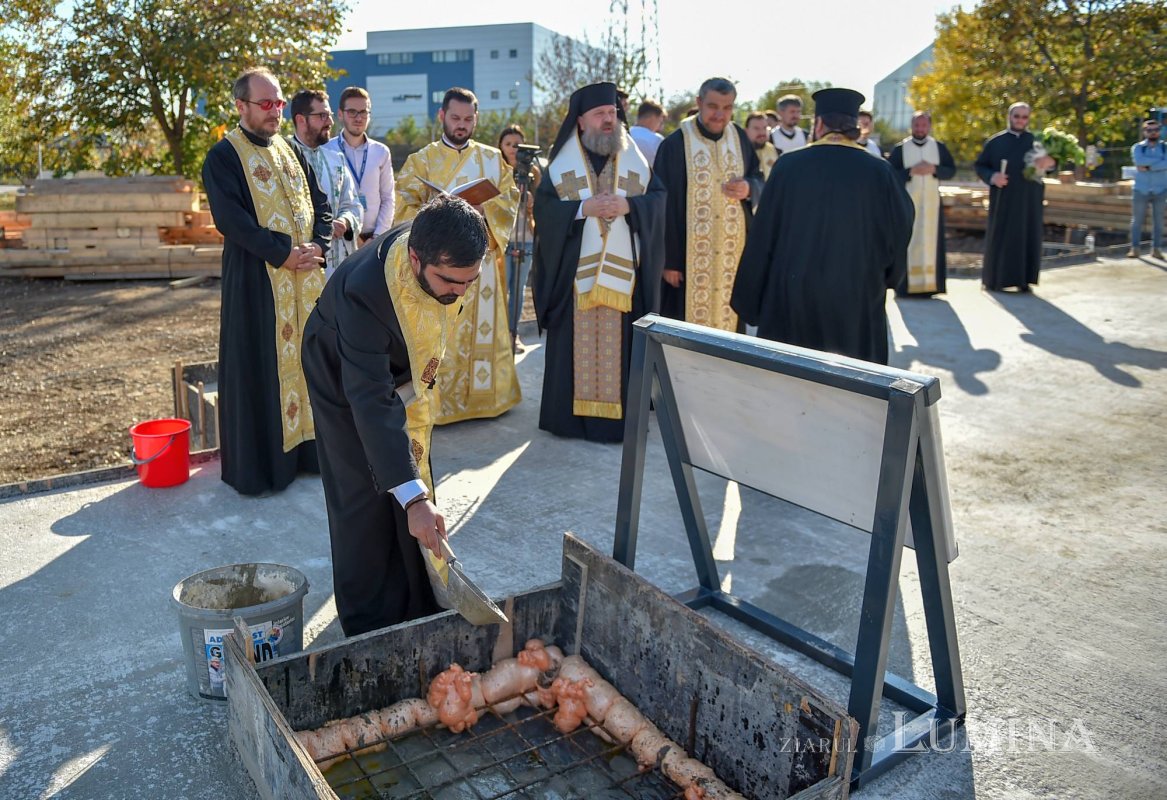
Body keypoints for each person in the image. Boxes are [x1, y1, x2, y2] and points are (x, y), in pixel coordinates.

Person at [301, 196, 488, 637]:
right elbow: (370, 400)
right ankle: (369, 624)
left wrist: (414, 498)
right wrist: (416, 501)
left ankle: (414, 602)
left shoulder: (437, 243)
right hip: (341, 372)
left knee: (409, 472)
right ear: (415, 257)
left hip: (399, 374)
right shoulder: (363, 291)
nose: (458, 293)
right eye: (449, 281)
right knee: (361, 490)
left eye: (469, 282)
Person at [201, 67, 332, 495]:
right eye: (267, 104)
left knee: (310, 368)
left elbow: (321, 203)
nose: (276, 111)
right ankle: (266, 469)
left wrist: (318, 244)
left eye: (279, 103)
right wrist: (282, 253)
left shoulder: (290, 151)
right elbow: (231, 220)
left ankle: (309, 456)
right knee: (263, 370)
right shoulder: (224, 156)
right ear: (241, 106)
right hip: (260, 286)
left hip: (306, 284)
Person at [732, 88, 914, 365]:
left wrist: (751, 295)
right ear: (855, 127)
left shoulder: (788, 166)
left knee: (791, 378)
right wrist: (889, 276)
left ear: (818, 125)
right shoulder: (880, 171)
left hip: (793, 294)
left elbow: (764, 233)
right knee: (851, 383)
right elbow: (901, 228)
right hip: (856, 294)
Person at [532, 81, 666, 442]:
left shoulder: (633, 158)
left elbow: (658, 199)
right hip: (575, 279)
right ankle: (568, 421)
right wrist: (580, 209)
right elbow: (543, 211)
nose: (609, 120)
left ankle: (617, 423)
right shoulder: (562, 164)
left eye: (612, 113)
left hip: (624, 280)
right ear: (580, 121)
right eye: (600, 114)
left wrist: (631, 206)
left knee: (621, 350)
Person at [393, 88, 521, 424]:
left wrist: (484, 209)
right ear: (442, 116)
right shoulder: (421, 160)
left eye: (468, 119)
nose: (461, 125)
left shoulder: (494, 160)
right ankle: (437, 406)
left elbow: (509, 201)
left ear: (476, 119)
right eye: (455, 118)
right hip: (441, 267)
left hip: (482, 267)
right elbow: (402, 205)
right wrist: (436, 211)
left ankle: (484, 401)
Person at [653, 77, 764, 331]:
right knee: (685, 333)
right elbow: (662, 205)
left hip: (730, 258)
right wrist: (669, 260)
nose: (720, 114)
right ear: (699, 103)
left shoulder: (740, 139)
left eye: (727, 108)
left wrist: (749, 187)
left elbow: (759, 178)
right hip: (686, 261)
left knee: (730, 332)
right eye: (713, 106)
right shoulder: (675, 144)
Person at [974, 102, 1057, 292]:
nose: (1020, 120)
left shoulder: (1038, 141)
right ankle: (994, 280)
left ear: (1029, 119)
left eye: (1024, 117)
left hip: (1030, 198)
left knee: (1027, 235)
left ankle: (1024, 280)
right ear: (1009, 117)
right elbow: (980, 166)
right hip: (1004, 197)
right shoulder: (995, 142)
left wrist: (1050, 163)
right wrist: (993, 177)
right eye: (1016, 116)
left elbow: (1053, 166)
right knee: (1001, 236)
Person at [289, 89, 362, 279]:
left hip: (336, 266)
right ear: (301, 120)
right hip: (300, 263)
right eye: (322, 116)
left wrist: (344, 222)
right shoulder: (282, 160)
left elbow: (352, 205)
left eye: (329, 115)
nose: (330, 122)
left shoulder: (336, 159)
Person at [888, 111, 956, 296]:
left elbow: (951, 170)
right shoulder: (900, 149)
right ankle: (906, 287)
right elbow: (890, 176)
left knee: (931, 242)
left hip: (932, 203)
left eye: (923, 125)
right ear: (911, 126)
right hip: (908, 204)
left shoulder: (939, 147)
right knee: (909, 240)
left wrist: (934, 169)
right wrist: (911, 171)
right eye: (917, 125)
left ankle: (931, 286)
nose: (920, 129)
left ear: (929, 126)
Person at [329, 86, 396, 247]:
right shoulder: (327, 150)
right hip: (340, 239)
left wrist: (377, 237)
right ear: (340, 114)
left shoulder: (381, 152)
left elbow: (388, 198)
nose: (358, 118)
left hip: (374, 239)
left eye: (363, 112)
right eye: (352, 112)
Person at [498, 124, 541, 351]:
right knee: (501, 290)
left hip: (526, 236)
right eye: (508, 144)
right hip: (502, 238)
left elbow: (544, 206)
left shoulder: (535, 173)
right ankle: (500, 335)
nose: (514, 149)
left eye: (518, 144)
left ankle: (513, 334)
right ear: (501, 147)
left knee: (519, 289)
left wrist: (532, 202)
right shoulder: (497, 171)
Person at [1129, 118, 1166, 259]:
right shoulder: (1138, 147)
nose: (1153, 133)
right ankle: (1135, 248)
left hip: (1161, 190)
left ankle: (1156, 249)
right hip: (1141, 189)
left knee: (1158, 221)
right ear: (1145, 132)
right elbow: (1139, 161)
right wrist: (1159, 163)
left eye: (1156, 130)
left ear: (1159, 131)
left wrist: (1149, 167)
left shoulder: (1165, 147)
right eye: (1149, 130)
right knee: (1137, 220)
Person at [628, 99, 666, 165]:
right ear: (653, 117)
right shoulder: (657, 140)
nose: (659, 126)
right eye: (660, 121)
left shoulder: (625, 134)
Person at [746, 112, 779, 180]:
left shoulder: (773, 149)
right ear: (746, 131)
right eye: (756, 128)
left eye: (765, 128)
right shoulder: (741, 152)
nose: (762, 132)